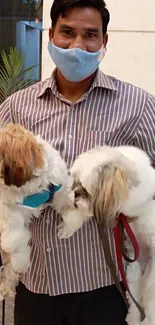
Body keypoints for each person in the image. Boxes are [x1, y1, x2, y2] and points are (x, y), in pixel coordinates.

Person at [0, 0, 155, 324]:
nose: (77, 46)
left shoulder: (138, 106)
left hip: (105, 287)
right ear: (50, 35)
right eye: (67, 33)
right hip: (37, 286)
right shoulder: (17, 108)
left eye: (90, 35)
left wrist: (129, 194)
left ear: (104, 42)